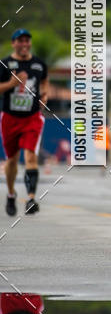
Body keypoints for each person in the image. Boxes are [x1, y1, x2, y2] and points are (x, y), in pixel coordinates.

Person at [0, 29, 48, 216]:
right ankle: (11, 194)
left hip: (31, 118)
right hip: (10, 118)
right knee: (12, 160)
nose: (24, 44)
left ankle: (30, 199)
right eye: (20, 41)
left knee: (30, 156)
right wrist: (11, 84)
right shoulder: (5, 64)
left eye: (27, 40)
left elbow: (45, 81)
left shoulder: (38, 64)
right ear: (13, 43)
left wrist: (44, 95)